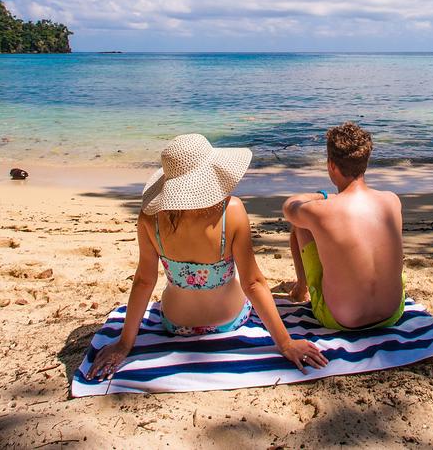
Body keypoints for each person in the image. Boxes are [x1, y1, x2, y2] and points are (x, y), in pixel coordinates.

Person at [87, 133, 327, 379]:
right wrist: (286, 343)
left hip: (175, 324)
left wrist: (124, 343)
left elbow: (144, 281)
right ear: (210, 174)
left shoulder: (150, 218)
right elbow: (253, 283)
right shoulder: (231, 211)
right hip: (230, 319)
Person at [282, 122, 405, 331]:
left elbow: (289, 206)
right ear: (365, 162)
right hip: (392, 313)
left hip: (341, 320)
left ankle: (301, 288)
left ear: (331, 165)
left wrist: (323, 196)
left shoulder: (321, 211)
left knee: (301, 225)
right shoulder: (391, 201)